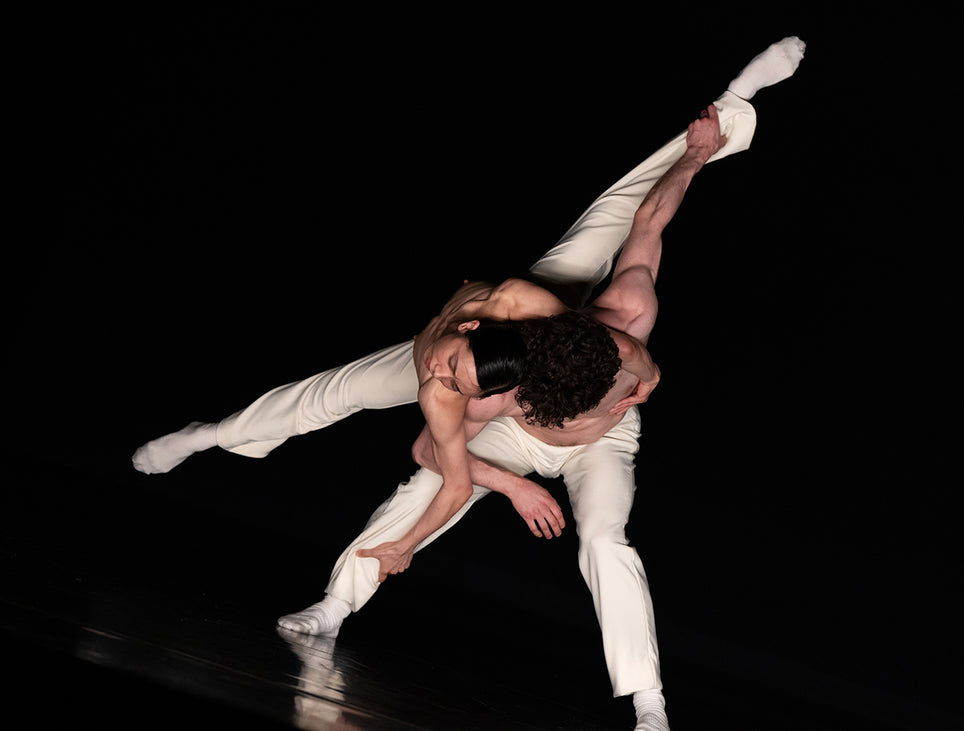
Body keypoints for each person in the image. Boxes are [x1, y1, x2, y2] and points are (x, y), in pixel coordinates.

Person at [134, 37, 805, 730]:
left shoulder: (629, 331)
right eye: (454, 364)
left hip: (598, 440)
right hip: (514, 388)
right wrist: (511, 483)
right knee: (347, 401)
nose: (438, 373)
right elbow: (438, 459)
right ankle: (317, 583)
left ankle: (649, 702)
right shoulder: (491, 356)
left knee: (606, 538)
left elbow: (647, 319)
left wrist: (625, 402)